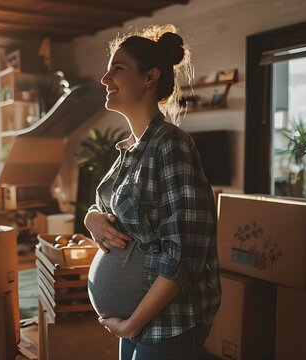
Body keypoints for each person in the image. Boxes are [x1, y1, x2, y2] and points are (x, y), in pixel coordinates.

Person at [84, 24, 221, 360]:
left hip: (168, 321)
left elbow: (185, 253)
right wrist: (92, 218)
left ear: (149, 77)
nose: (105, 79)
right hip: (136, 318)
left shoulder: (171, 145)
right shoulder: (131, 150)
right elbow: (114, 214)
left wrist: (132, 325)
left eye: (118, 68)